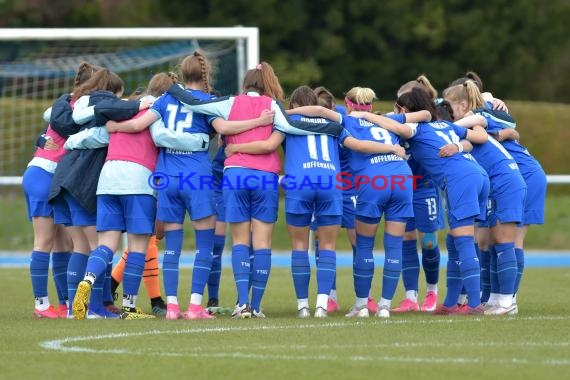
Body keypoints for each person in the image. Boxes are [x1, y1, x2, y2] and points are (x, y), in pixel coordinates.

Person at [161, 61, 342, 318]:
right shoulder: (273, 107)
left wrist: (174, 88)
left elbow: (194, 103)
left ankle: (241, 303)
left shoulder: (230, 102)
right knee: (263, 243)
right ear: (269, 83)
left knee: (240, 242)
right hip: (265, 179)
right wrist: (332, 128)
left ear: (246, 83)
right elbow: (296, 127)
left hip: (235, 175)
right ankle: (256, 306)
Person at [105, 54, 279, 320]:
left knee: (171, 246)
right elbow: (224, 127)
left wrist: (115, 126)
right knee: (204, 244)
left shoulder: (165, 99)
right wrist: (257, 122)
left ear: (182, 74)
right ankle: (196, 306)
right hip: (196, 176)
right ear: (205, 73)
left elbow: (139, 124)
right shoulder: (207, 102)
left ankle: (172, 307)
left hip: (167, 178)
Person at [354, 87, 490, 315]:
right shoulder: (445, 125)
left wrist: (365, 115)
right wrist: (458, 145)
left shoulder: (416, 127)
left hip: (459, 179)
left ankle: (474, 304)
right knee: (457, 240)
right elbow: (479, 136)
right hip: (478, 175)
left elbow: (398, 127)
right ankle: (449, 303)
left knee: (464, 241)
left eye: (399, 108)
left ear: (406, 110)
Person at [444, 80, 539, 314]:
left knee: (505, 241)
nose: (448, 112)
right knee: (494, 241)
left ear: (463, 104)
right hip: (498, 184)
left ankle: (508, 301)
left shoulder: (478, 115)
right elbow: (468, 142)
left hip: (507, 183)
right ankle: (497, 298)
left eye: (450, 106)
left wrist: (449, 128)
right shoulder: (473, 122)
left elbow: (478, 127)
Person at [23, 62, 102, 318]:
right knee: (45, 240)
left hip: (45, 175)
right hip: (45, 173)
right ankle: (42, 304)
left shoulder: (67, 105)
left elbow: (50, 116)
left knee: (63, 242)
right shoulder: (78, 109)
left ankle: (65, 303)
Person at [390, 75, 445, 313]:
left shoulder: (429, 123)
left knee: (430, 242)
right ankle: (410, 297)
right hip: (403, 189)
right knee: (406, 240)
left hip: (425, 188)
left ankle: (432, 292)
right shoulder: (395, 124)